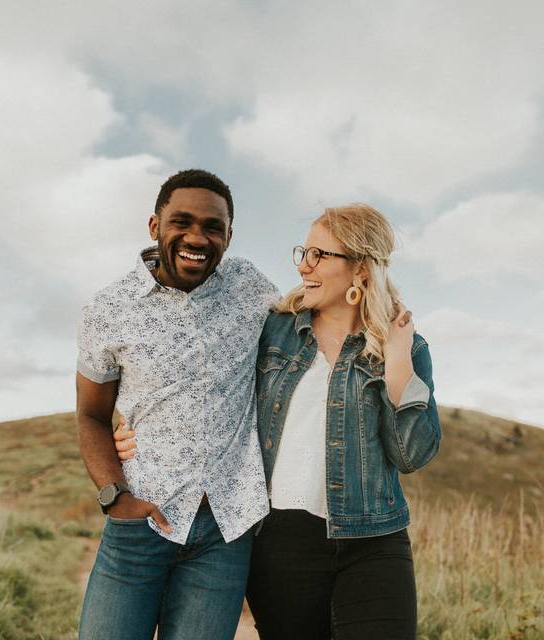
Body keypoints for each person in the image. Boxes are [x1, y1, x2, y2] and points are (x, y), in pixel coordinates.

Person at [117, 204, 440, 639]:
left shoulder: (404, 345)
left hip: (374, 539)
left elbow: (411, 455)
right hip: (281, 542)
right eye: (303, 252)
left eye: (319, 255)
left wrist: (397, 366)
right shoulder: (273, 330)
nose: (304, 266)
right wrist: (133, 430)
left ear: (360, 269)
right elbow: (205, 389)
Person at [76, 169, 278, 640]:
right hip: (139, 525)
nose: (196, 237)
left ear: (228, 236)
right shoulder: (108, 310)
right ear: (154, 226)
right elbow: (90, 415)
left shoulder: (250, 287)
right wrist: (115, 496)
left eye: (212, 227)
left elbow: (316, 319)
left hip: (225, 532)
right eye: (181, 222)